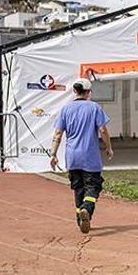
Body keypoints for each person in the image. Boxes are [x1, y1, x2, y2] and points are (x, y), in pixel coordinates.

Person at [50, 78, 113, 233]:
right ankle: (86, 208)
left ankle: (80, 219)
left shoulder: (65, 109)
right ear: (88, 92)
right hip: (89, 156)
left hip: (72, 157)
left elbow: (58, 133)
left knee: (78, 189)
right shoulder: (94, 108)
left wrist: (53, 153)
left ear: (75, 92)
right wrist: (108, 147)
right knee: (93, 187)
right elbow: (103, 130)